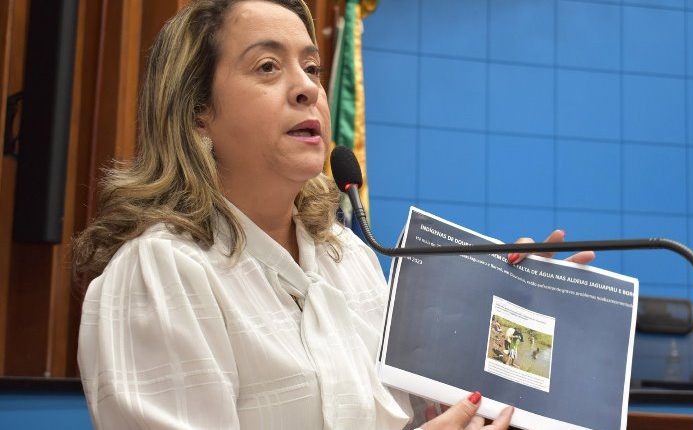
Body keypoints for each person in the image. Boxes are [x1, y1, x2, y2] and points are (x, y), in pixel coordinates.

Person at [74, 1, 594, 429]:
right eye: (267, 66)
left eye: (312, 68)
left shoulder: (348, 257)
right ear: (197, 114)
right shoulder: (160, 271)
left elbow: (421, 414)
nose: (306, 88)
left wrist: (518, 329)